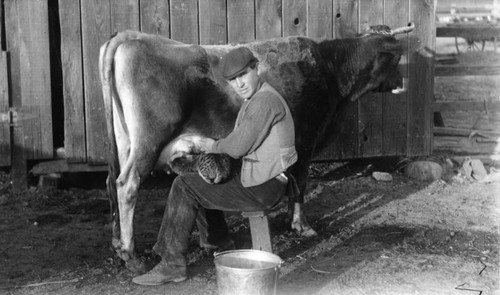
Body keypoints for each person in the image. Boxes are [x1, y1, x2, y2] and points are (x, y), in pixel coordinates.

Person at [132, 47, 298, 285]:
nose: (239, 84)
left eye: (243, 75)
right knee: (201, 178)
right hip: (264, 177)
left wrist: (209, 145)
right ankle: (219, 240)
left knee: (184, 186)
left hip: (265, 186)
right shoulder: (257, 97)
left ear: (256, 68)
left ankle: (172, 264)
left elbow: (238, 146)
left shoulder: (265, 101)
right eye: (232, 80)